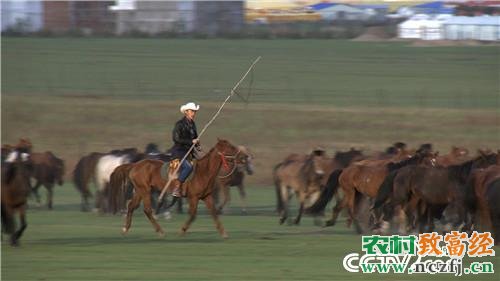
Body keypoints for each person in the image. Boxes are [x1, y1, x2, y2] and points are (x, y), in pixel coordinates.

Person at [169, 102, 200, 197]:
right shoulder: (179, 124)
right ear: (186, 112)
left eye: (194, 111)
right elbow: (176, 139)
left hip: (189, 152)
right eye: (192, 111)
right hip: (179, 152)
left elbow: (195, 137)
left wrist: (198, 144)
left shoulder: (193, 124)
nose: (193, 113)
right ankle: (177, 188)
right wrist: (191, 141)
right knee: (188, 167)